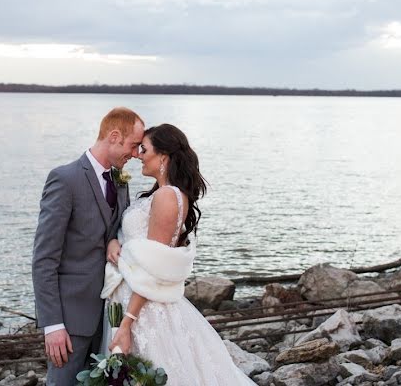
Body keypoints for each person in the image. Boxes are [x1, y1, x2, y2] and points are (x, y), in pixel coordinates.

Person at [102, 124, 256, 385]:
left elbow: (155, 267)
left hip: (144, 310)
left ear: (163, 156)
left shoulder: (167, 197)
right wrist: (114, 241)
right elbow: (140, 244)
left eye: (144, 149)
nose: (139, 154)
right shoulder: (162, 194)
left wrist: (127, 323)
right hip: (133, 300)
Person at [32, 107, 145, 386]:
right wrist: (52, 325)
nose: (134, 154)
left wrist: (114, 239)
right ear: (114, 136)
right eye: (132, 146)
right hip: (69, 320)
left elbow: (114, 227)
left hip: (108, 315)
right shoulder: (65, 179)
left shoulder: (120, 182)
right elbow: (44, 258)